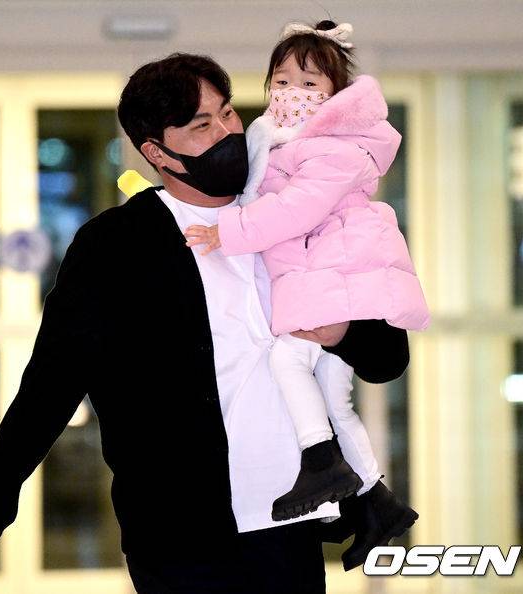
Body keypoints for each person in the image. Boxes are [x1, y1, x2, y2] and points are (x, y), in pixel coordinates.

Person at [0, 50, 410, 592]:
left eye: (228, 112)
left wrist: (343, 332)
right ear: (156, 152)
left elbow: (387, 358)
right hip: (179, 535)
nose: (227, 132)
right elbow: (51, 384)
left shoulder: (296, 214)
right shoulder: (115, 246)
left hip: (290, 524)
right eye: (201, 125)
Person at [183, 19, 428, 569]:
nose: (292, 92)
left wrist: (229, 233)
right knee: (334, 401)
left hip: (336, 288)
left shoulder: (333, 148)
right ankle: (376, 503)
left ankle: (320, 462)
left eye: (310, 83)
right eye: (282, 80)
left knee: (288, 363)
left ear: (336, 95)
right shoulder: (275, 141)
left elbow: (295, 210)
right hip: (326, 286)